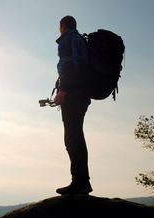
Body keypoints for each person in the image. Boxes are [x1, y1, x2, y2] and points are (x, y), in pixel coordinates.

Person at [54, 15, 92, 195]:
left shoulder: (67, 39)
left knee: (72, 138)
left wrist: (63, 90)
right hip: (82, 95)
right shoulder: (80, 40)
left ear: (62, 26)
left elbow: (69, 66)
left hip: (73, 95)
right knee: (76, 136)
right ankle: (81, 181)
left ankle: (80, 183)